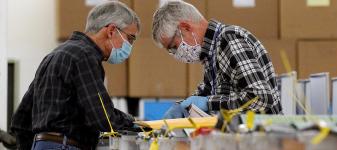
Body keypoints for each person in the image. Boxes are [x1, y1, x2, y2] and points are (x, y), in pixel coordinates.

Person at [10, 1, 140, 149]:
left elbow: (20, 120)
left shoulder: (53, 56)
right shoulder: (84, 56)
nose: (129, 46)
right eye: (130, 38)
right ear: (111, 30)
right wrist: (135, 123)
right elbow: (103, 118)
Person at [152, 0, 282, 119]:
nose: (175, 54)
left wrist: (208, 103)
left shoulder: (229, 40)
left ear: (186, 27)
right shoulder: (211, 55)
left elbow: (260, 98)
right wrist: (182, 107)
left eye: (174, 47)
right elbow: (204, 94)